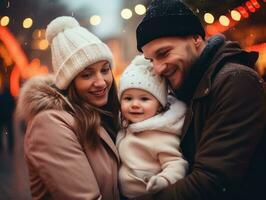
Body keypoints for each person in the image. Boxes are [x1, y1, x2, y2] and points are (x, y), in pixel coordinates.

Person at [135, 0, 266, 200]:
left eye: (164, 53)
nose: (158, 69)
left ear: (196, 38)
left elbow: (212, 181)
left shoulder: (235, 81)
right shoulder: (188, 86)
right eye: (151, 60)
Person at [16, 16, 120, 200]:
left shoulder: (100, 110)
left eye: (105, 70)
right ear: (69, 82)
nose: (101, 82)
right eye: (87, 75)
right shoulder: (49, 124)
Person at [116, 55, 188, 199]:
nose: (135, 104)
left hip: (149, 194)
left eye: (144, 99)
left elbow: (176, 164)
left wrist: (163, 181)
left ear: (159, 106)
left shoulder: (160, 134)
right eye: (128, 98)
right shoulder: (125, 125)